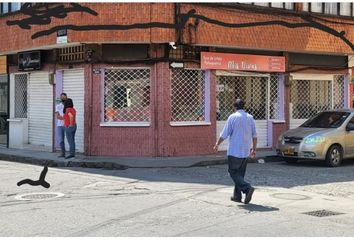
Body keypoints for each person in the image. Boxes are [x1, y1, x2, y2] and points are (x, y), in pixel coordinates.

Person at [213, 99, 257, 204]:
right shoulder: (250, 118)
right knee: (240, 175)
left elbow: (224, 134)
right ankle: (237, 196)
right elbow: (254, 135)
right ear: (244, 106)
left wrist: (217, 144)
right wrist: (254, 149)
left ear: (235, 107)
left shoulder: (232, 117)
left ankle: (247, 188)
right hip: (245, 151)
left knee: (232, 172)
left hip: (234, 151)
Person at [55, 93, 67, 158]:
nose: (63, 98)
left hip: (67, 125)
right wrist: (65, 118)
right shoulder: (58, 106)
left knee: (70, 139)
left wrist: (62, 117)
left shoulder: (68, 106)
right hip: (60, 125)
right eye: (62, 97)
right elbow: (57, 116)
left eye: (64, 97)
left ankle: (71, 154)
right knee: (61, 140)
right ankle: (63, 153)